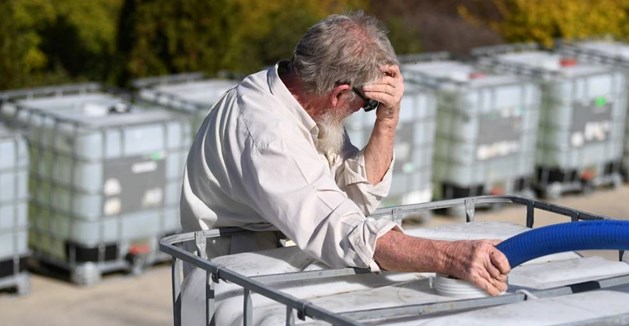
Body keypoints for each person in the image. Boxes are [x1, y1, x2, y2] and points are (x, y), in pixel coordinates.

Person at [180, 11, 510, 295]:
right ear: (339, 94)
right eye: (368, 104)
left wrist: (387, 117)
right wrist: (448, 257)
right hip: (233, 287)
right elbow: (341, 231)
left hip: (276, 265)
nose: (364, 110)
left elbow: (353, 196)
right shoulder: (269, 136)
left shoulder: (305, 98)